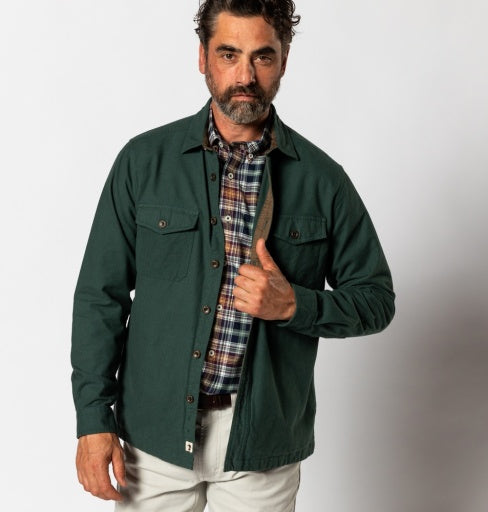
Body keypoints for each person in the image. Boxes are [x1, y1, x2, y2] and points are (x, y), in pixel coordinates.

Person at [71, 1, 395, 510]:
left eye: (262, 56)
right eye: (228, 54)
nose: (245, 76)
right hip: (152, 439)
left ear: (283, 61)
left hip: (261, 442)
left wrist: (294, 305)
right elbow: (100, 297)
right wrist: (94, 420)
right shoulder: (143, 162)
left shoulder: (322, 181)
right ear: (202, 57)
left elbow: (376, 299)